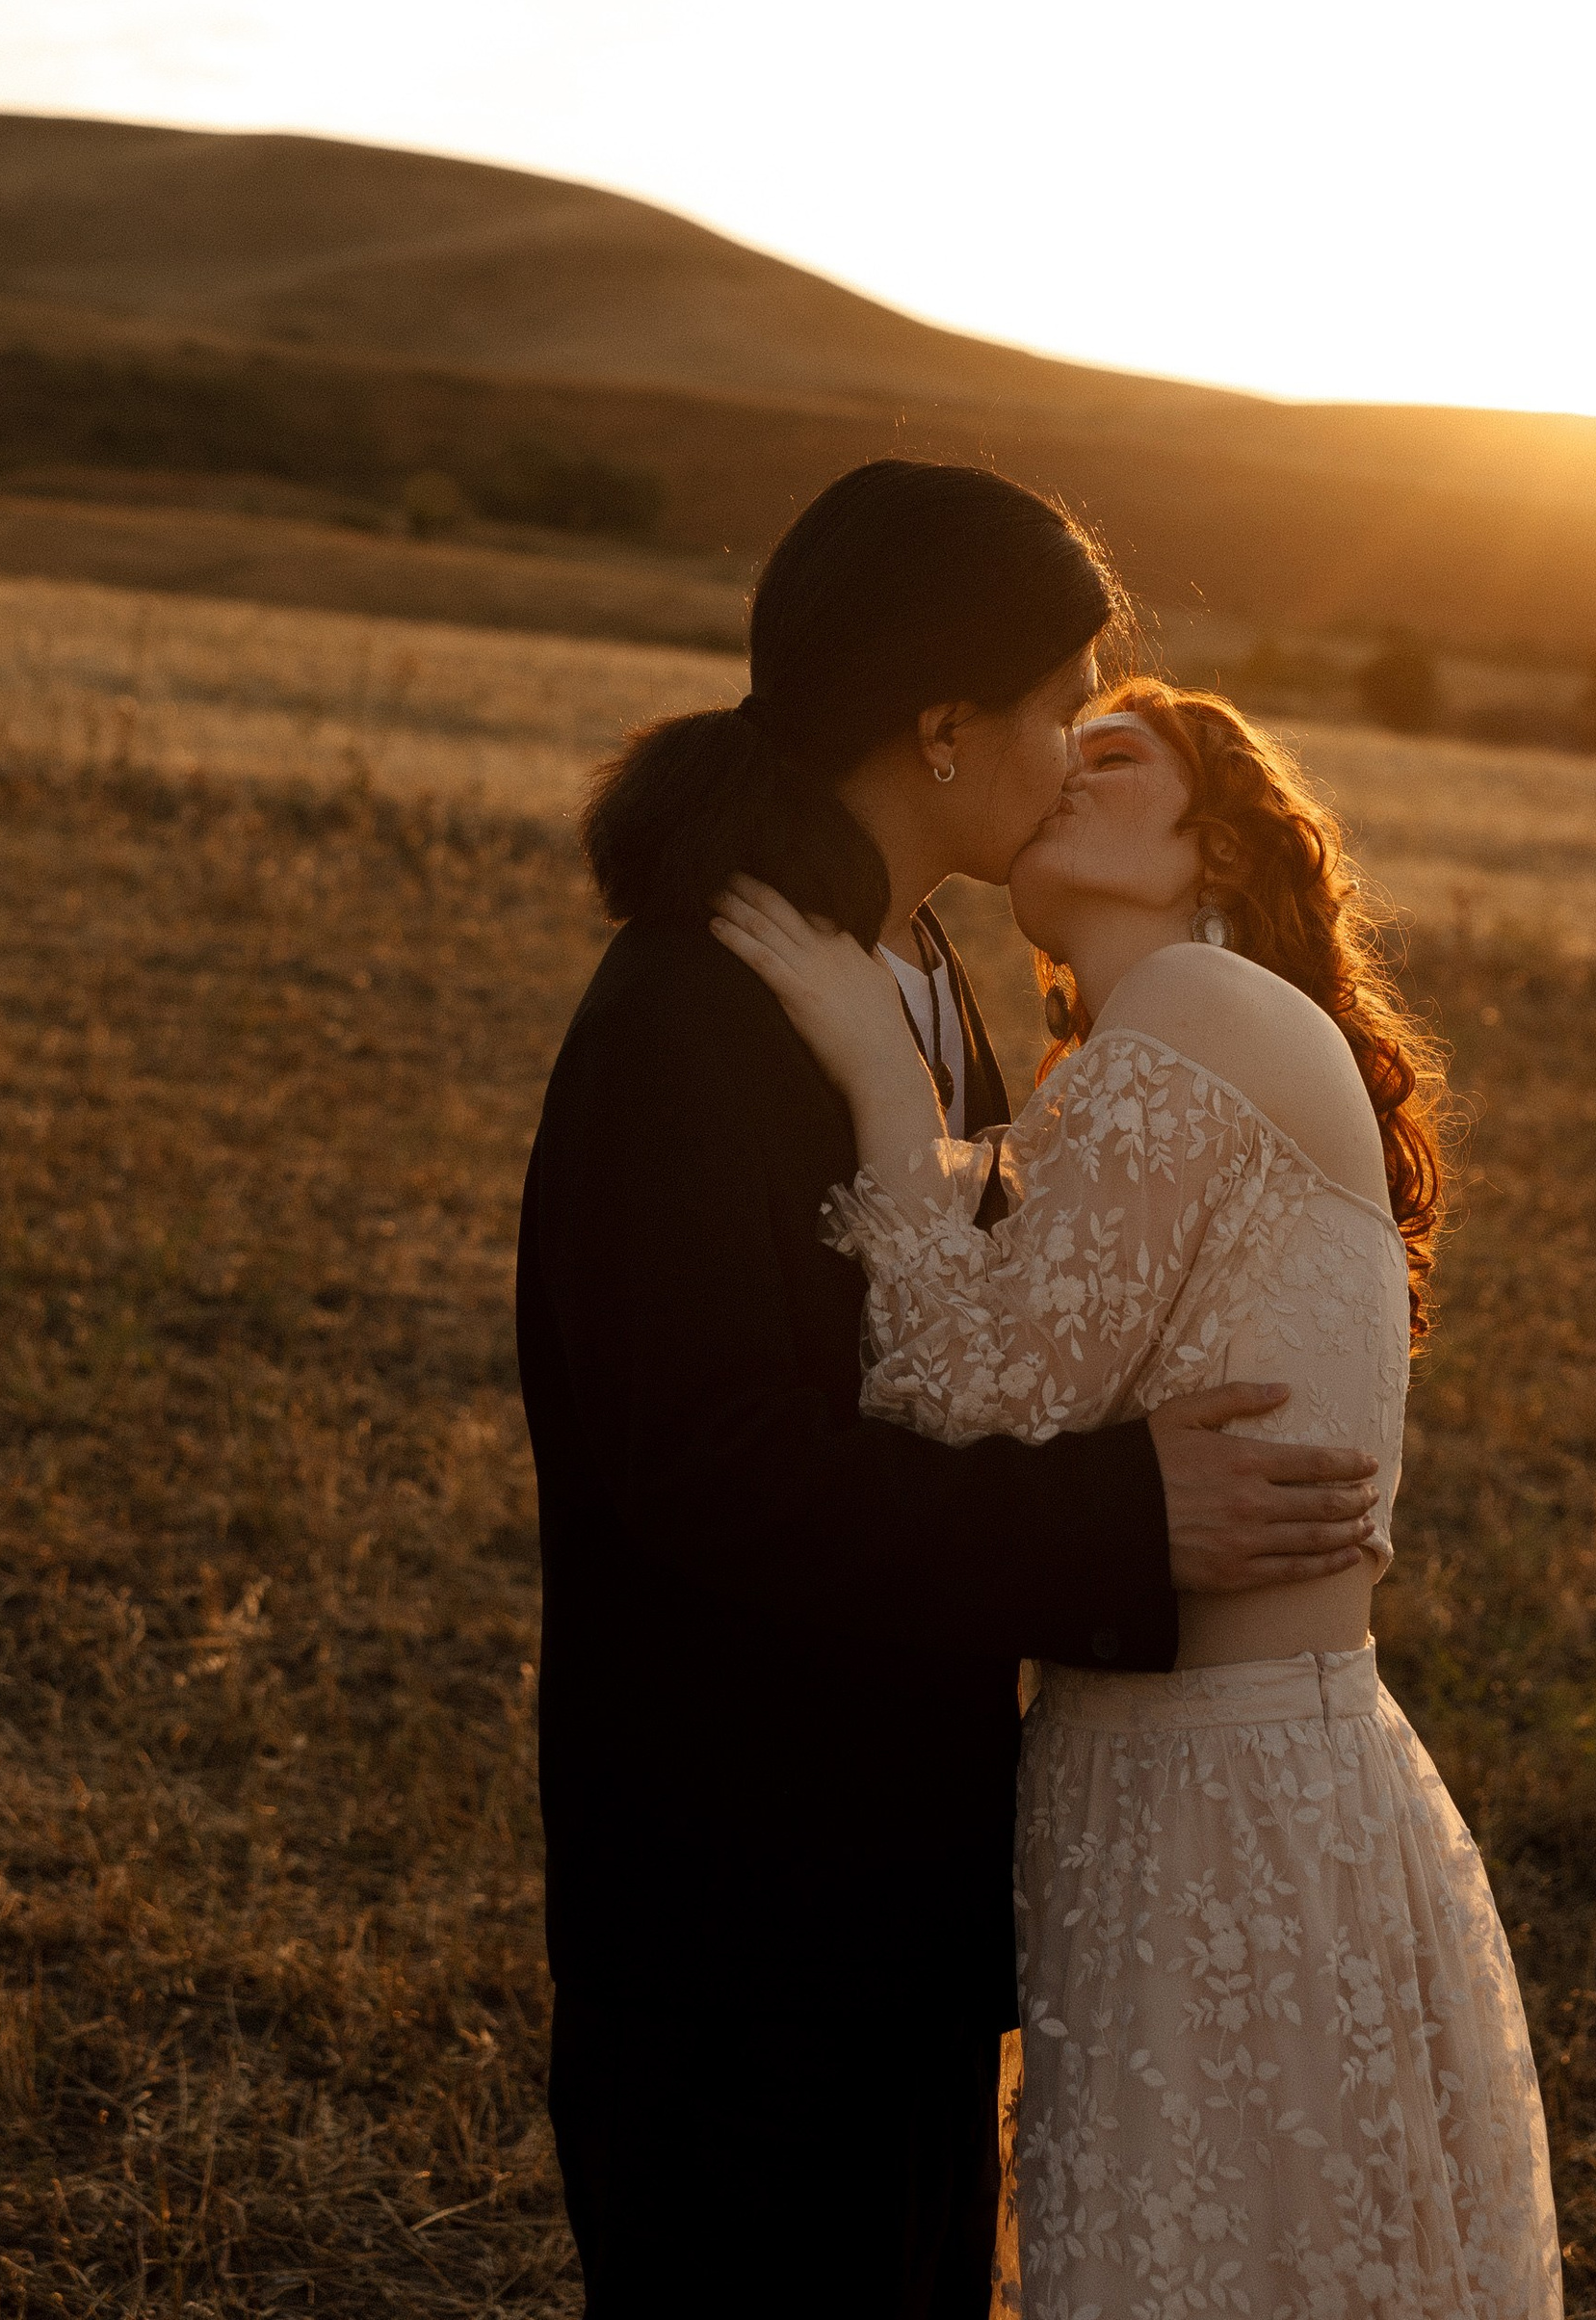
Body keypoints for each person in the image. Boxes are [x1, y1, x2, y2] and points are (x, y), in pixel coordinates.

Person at [517, 466, 1386, 2318]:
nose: (1081, 740)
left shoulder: (914, 969)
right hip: (737, 1914)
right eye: (1064, 692)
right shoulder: (691, 1008)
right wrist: (1121, 1521)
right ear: (938, 729)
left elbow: (962, 1340)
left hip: (901, 1897)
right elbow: (708, 1464)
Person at [713, 680, 1562, 2319]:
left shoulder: (1198, 1005)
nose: (1065, 776)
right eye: (1064, 745)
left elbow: (965, 1393)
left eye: (1121, 760)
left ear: (1217, 844)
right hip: (1186, 1777)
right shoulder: (1136, 1063)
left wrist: (875, 1078)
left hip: (1222, 1794)